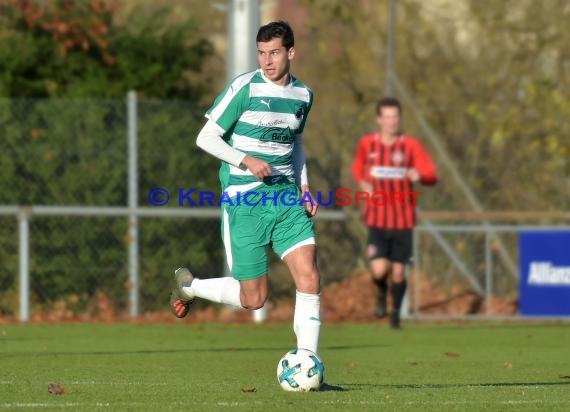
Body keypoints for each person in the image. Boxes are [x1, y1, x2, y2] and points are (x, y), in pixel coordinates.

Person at [169, 21, 321, 355]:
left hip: (285, 197)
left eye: (275, 53)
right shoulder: (245, 88)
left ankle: (307, 363)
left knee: (309, 277)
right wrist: (246, 160)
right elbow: (206, 137)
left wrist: (305, 186)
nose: (267, 61)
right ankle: (190, 286)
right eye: (262, 53)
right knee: (254, 298)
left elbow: (296, 142)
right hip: (244, 198)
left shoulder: (303, 95)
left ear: (291, 52)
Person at [352, 97, 437, 329]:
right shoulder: (368, 144)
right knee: (379, 269)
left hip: (403, 220)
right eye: (387, 117)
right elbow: (357, 166)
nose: (391, 121)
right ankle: (380, 290)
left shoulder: (410, 146)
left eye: (395, 117)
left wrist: (420, 175)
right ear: (379, 119)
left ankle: (396, 314)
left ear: (400, 119)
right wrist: (362, 183)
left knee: (398, 272)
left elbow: (431, 173)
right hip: (376, 219)